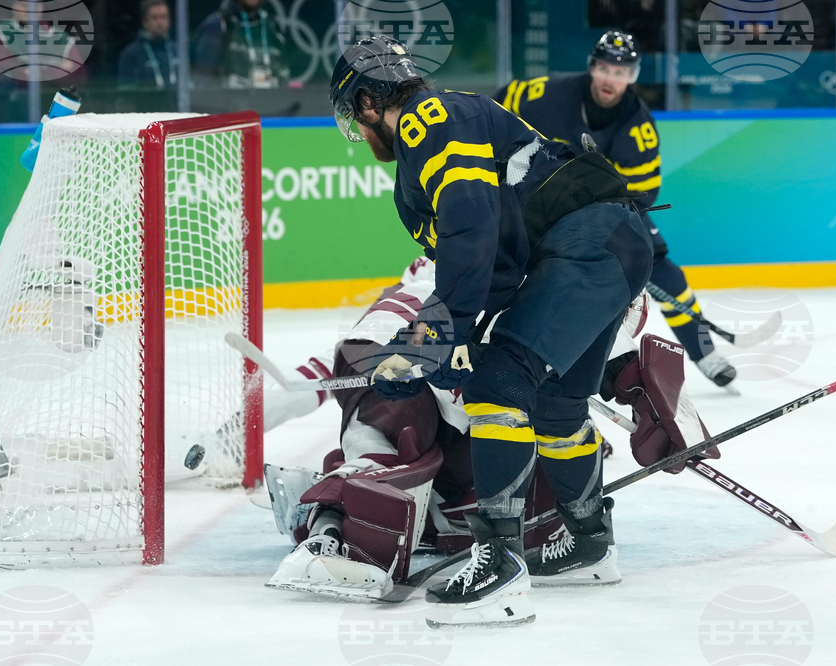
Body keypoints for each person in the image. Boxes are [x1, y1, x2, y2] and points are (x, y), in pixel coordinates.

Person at [326, 35, 705, 628]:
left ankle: (498, 565)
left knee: (498, 387)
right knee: (555, 404)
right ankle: (587, 544)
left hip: (587, 247)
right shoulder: (439, 132)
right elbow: (498, 263)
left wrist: (431, 339)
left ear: (371, 104)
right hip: (603, 247)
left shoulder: (429, 122)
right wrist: (454, 344)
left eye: (355, 113)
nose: (359, 128)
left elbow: (471, 240)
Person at [262, 258, 658, 600]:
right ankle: (328, 533)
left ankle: (383, 502)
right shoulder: (571, 277)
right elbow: (364, 350)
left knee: (529, 501)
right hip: (413, 356)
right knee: (387, 446)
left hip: (450, 375)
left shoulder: (543, 263)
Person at [495, 31, 738, 390]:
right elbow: (497, 108)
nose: (612, 79)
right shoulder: (544, 94)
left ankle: (703, 350)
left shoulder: (638, 128)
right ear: (593, 67)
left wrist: (598, 222)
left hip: (605, 210)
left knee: (665, 273)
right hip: (536, 199)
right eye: (606, 69)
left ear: (634, 76)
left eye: (622, 72)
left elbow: (641, 195)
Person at [192, 0, 290, 89]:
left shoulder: (273, 28)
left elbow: (284, 77)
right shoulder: (217, 25)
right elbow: (203, 82)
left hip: (272, 104)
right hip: (230, 105)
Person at [118, 0, 178, 90]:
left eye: (164, 17)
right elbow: (125, 90)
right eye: (154, 18)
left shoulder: (177, 50)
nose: (160, 22)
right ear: (145, 22)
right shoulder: (131, 54)